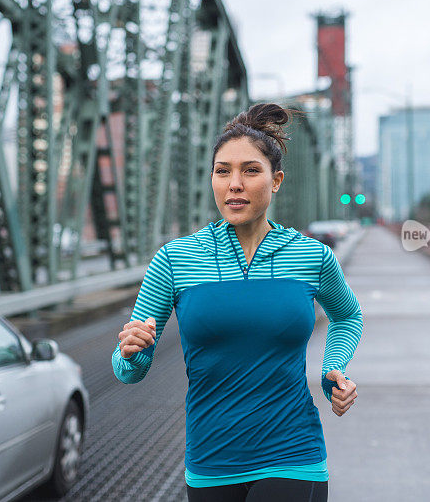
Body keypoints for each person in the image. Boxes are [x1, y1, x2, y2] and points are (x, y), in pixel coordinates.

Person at [111, 103, 363, 502]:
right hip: (211, 464)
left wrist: (334, 367)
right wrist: (132, 353)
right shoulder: (174, 260)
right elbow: (128, 372)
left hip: (292, 455)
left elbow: (347, 316)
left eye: (250, 170)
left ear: (276, 180)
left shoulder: (311, 256)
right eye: (222, 170)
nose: (234, 184)